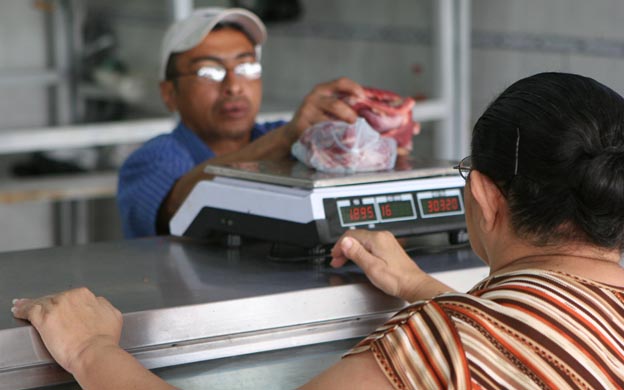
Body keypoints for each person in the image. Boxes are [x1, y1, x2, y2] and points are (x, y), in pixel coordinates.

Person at [12, 72, 624, 389]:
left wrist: (91, 350)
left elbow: (491, 346)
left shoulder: (447, 342)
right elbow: (531, 346)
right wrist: (416, 283)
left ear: (485, 197)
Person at [117, 7, 366, 238]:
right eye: (208, 72)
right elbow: (179, 204)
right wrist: (287, 137)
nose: (234, 86)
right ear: (169, 94)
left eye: (246, 68)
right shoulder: (151, 160)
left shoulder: (283, 137)